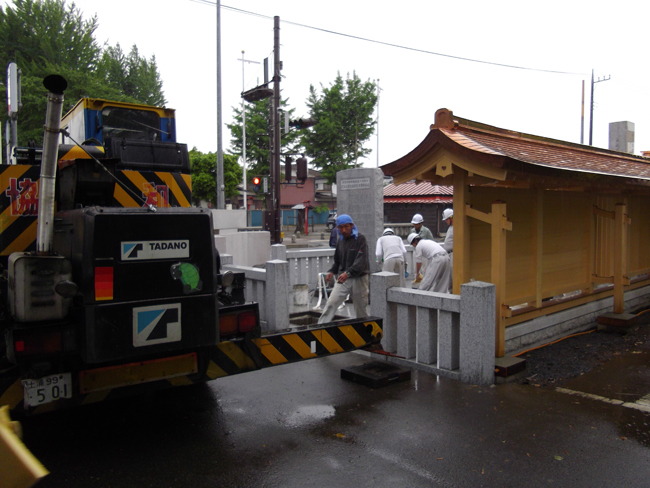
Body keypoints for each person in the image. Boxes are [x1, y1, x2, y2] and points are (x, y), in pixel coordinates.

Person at [318, 214, 369, 323]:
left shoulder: (360, 239)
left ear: (352, 226)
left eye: (346, 227)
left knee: (360, 307)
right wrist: (332, 271)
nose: (344, 230)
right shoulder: (340, 241)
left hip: (359, 277)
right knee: (331, 302)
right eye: (341, 227)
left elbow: (361, 261)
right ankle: (321, 326)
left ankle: (364, 331)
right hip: (343, 278)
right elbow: (337, 261)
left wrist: (348, 273)